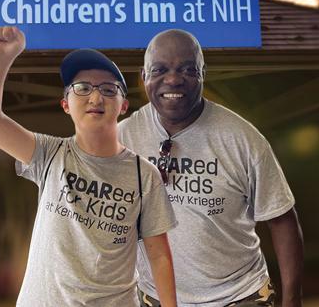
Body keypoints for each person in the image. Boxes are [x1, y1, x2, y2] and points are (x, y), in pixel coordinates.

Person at [0, 26, 178, 307]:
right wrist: (0, 58)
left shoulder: (144, 175)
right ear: (65, 104)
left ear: (124, 105)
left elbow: (159, 255)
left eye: (108, 89)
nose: (95, 97)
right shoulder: (50, 154)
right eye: (82, 88)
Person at [119, 29, 304, 307]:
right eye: (160, 69)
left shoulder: (242, 139)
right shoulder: (123, 138)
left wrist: (293, 301)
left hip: (240, 295)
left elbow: (282, 219)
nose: (173, 79)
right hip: (157, 297)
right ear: (144, 77)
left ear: (203, 73)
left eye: (187, 69)